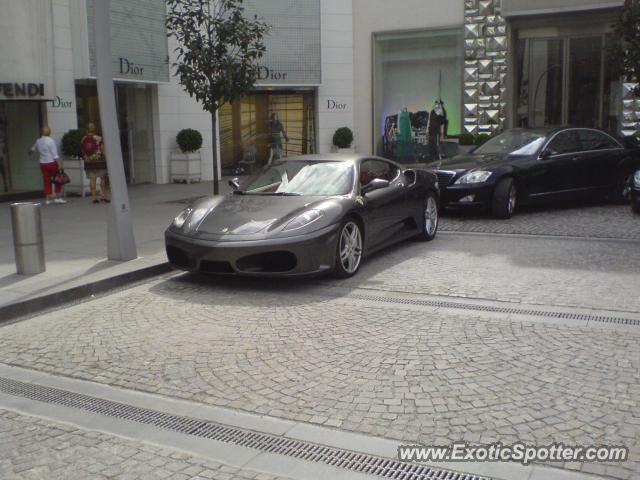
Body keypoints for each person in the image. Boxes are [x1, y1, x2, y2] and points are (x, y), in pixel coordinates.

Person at [30, 126, 66, 204]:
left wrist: (30, 152)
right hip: (51, 162)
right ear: (49, 132)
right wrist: (59, 164)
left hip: (42, 163)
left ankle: (48, 199)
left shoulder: (38, 141)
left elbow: (32, 149)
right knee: (57, 179)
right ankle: (58, 197)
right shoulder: (50, 141)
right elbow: (55, 154)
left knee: (46, 180)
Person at [81, 123, 109, 203]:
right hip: (99, 161)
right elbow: (102, 150)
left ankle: (94, 198)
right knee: (103, 178)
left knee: (92, 179)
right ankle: (103, 195)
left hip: (89, 162)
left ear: (87, 129)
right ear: (94, 129)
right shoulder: (98, 138)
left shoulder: (83, 139)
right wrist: (107, 158)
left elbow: (82, 151)